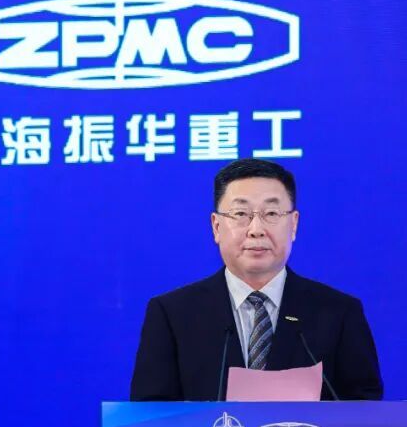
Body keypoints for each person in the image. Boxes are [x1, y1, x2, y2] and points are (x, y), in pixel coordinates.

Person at [129, 159, 383, 402]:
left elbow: (366, 411)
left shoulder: (338, 313)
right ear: (216, 226)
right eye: (240, 213)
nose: (256, 229)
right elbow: (150, 414)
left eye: (271, 213)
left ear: (294, 224)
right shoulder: (173, 314)